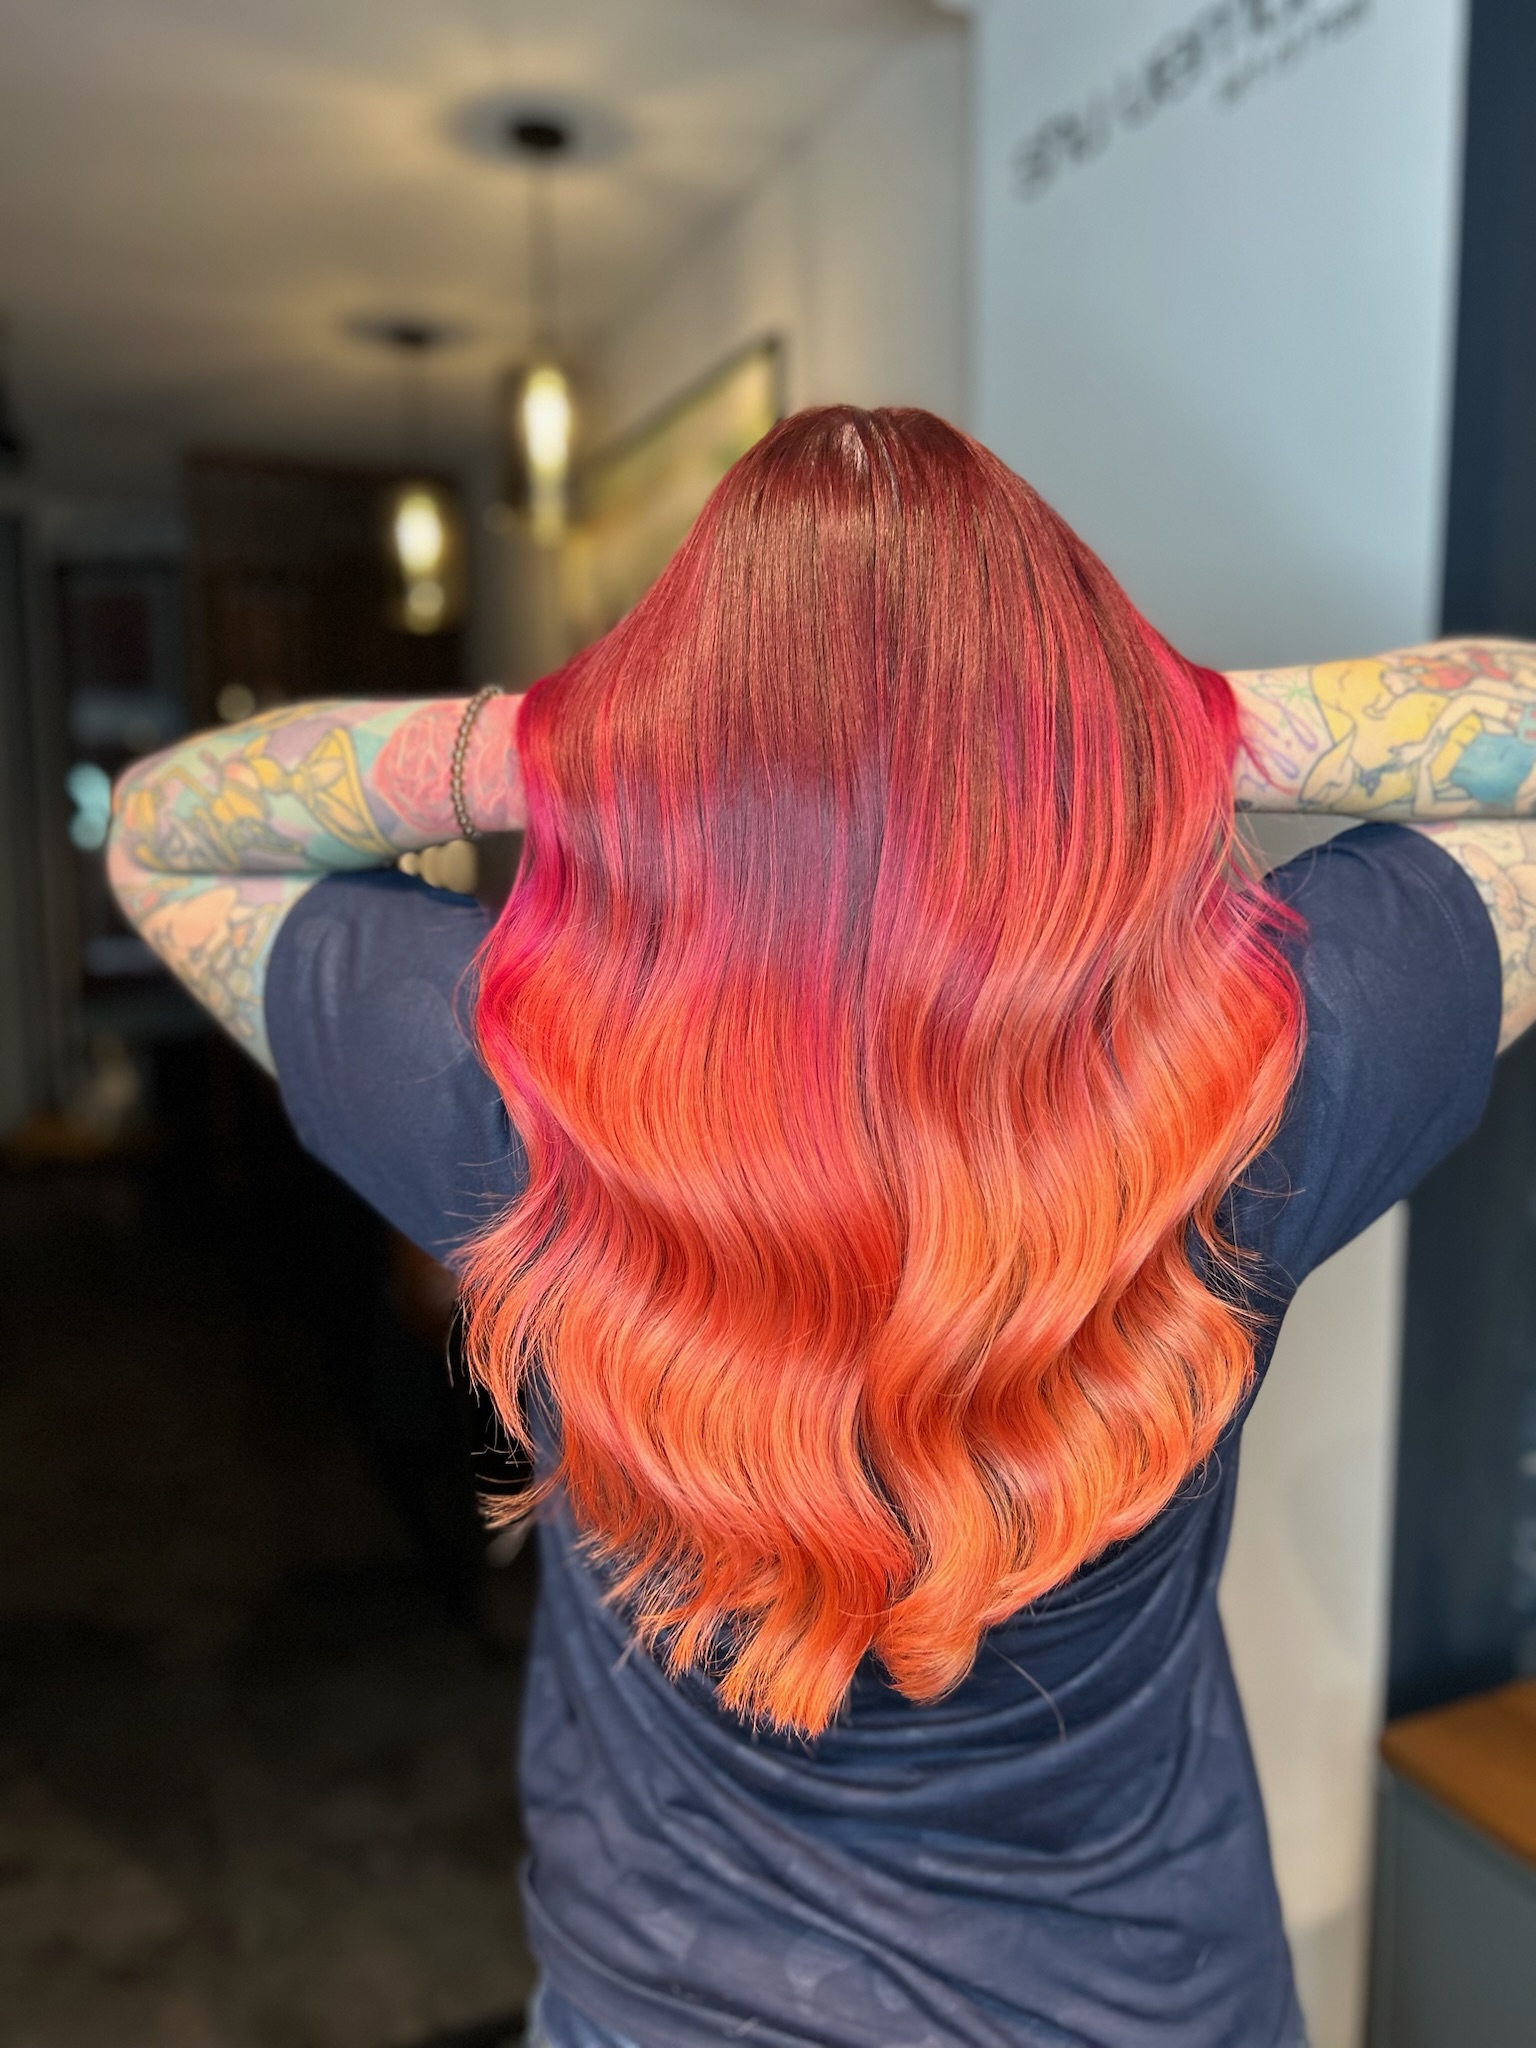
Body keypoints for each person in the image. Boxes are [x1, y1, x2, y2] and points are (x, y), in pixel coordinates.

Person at [108, 408, 1536, 2048]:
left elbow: (164, 830)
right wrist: (1186, 729)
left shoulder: (500, 1086)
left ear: (674, 754)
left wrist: (534, 748)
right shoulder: (1252, 1075)